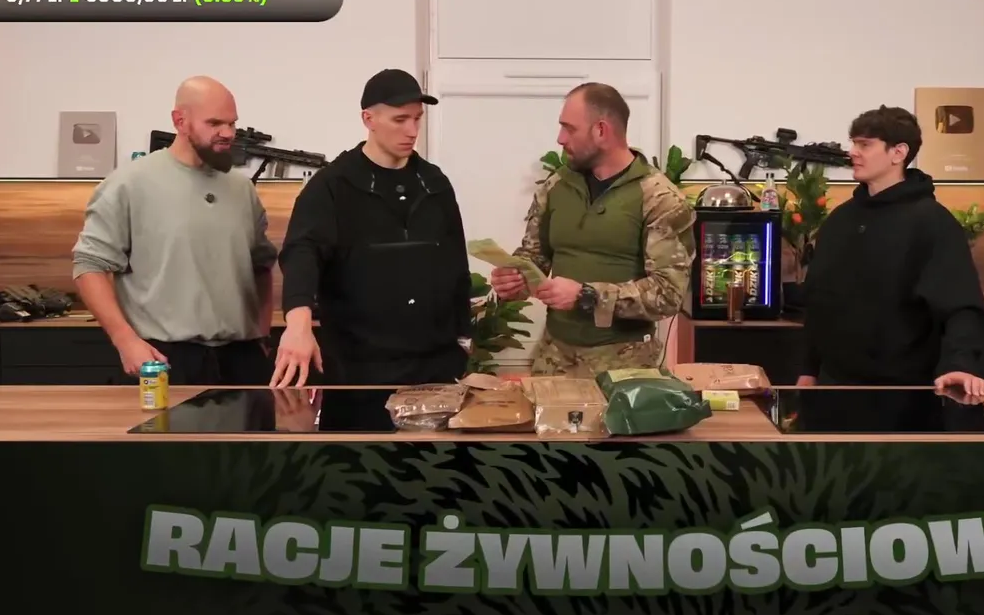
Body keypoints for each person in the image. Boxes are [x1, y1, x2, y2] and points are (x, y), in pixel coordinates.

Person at [271, 68, 472, 387]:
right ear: (369, 119)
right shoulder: (332, 185)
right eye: (400, 119)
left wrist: (464, 339)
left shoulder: (434, 183)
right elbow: (301, 254)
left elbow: (456, 263)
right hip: (357, 369)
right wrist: (298, 325)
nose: (412, 131)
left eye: (417, 119)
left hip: (434, 367)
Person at [72, 76, 279, 384]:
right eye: (215, 123)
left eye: (232, 123)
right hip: (165, 359)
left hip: (242, 359)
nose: (227, 133)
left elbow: (261, 267)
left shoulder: (241, 188)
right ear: (180, 121)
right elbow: (89, 266)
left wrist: (261, 335)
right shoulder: (129, 183)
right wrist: (125, 340)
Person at [489, 82, 696, 379]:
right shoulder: (557, 185)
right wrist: (516, 280)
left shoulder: (660, 198)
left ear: (601, 130)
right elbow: (535, 256)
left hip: (624, 365)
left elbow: (668, 294)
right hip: (553, 360)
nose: (560, 138)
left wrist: (587, 295)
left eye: (569, 129)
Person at [797, 105, 984, 396]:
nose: (852, 152)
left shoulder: (932, 221)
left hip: (905, 391)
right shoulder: (840, 219)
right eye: (853, 143)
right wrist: (809, 370)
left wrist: (960, 364)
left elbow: (962, 306)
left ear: (898, 153)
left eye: (865, 145)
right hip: (833, 386)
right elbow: (819, 303)